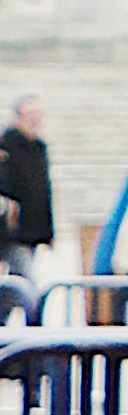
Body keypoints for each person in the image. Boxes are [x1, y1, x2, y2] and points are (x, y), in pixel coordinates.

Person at [0, 96, 51, 279]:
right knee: (27, 283)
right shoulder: (6, 146)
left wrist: (48, 232)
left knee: (16, 283)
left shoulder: (39, 148)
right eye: (30, 114)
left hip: (32, 231)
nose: (35, 120)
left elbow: (44, 192)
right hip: (12, 232)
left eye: (38, 114)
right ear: (18, 118)